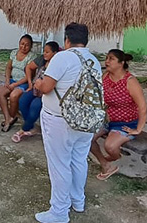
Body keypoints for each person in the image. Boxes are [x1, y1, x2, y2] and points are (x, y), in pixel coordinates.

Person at [34, 23, 101, 222]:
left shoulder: (62, 57)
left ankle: (59, 212)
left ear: (67, 40)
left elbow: (46, 87)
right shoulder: (94, 60)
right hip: (85, 120)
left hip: (59, 120)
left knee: (59, 164)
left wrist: (38, 82)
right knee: (79, 160)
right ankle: (77, 200)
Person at [90, 49, 147, 180]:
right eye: (107, 58)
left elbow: (142, 106)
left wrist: (138, 129)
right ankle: (106, 165)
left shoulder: (130, 81)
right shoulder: (106, 76)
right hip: (107, 120)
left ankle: (114, 156)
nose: (107, 61)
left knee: (110, 146)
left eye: (111, 59)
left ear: (121, 63)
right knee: (86, 138)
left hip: (126, 122)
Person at [13, 41, 60, 143]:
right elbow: (29, 67)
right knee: (23, 101)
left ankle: (23, 129)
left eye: (47, 52)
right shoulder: (42, 60)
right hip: (35, 88)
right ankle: (31, 126)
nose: (44, 54)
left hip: (47, 93)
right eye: (44, 51)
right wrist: (30, 83)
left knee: (35, 106)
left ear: (55, 53)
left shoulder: (57, 64)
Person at [0, 34, 35, 132]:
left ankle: (12, 116)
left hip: (24, 82)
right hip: (12, 80)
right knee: (0, 92)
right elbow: (8, 67)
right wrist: (7, 80)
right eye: (22, 44)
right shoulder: (14, 53)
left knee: (14, 96)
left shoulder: (32, 56)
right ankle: (8, 117)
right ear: (19, 44)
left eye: (27, 45)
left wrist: (15, 85)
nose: (24, 47)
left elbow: (29, 76)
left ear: (30, 46)